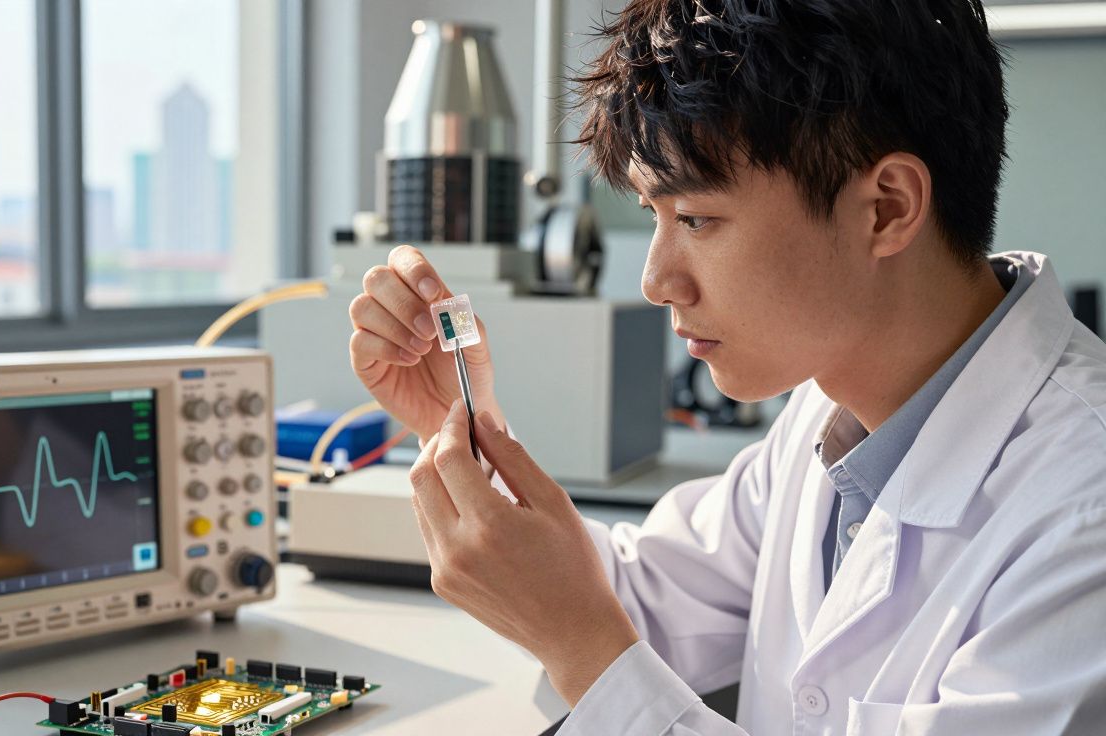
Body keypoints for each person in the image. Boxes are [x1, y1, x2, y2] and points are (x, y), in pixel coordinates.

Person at [347, 0, 1106, 733]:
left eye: (698, 218)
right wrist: (466, 427)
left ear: (886, 208)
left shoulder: (1082, 516)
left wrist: (585, 652)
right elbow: (629, 603)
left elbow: (592, 634)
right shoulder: (831, 414)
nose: (654, 280)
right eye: (654, 216)